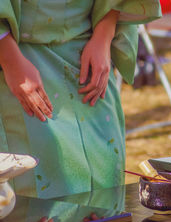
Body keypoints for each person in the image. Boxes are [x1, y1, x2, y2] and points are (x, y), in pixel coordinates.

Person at [0, 1, 161, 198]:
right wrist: (10, 61)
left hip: (90, 51)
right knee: (36, 189)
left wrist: (103, 36)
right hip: (18, 60)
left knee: (104, 175)